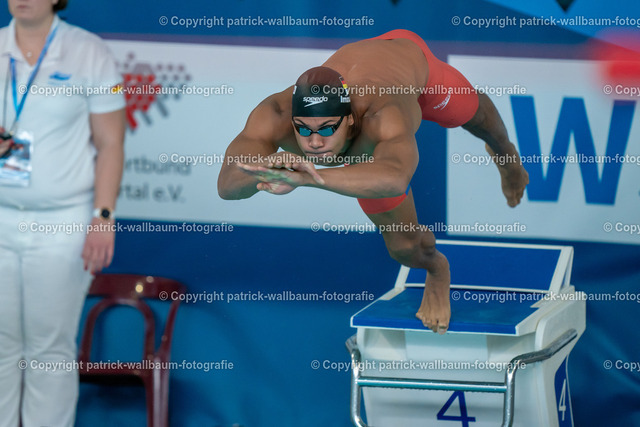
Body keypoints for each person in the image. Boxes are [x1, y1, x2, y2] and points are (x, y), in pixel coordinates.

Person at [217, 29, 528, 335]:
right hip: (363, 131)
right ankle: (437, 266)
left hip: (411, 64)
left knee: (476, 118)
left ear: (350, 119)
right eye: (303, 129)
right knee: (404, 248)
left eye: (327, 129)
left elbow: (396, 177)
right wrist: (262, 170)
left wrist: (307, 177)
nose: (314, 143)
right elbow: (227, 186)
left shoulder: (382, 112)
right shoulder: (274, 113)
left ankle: (508, 157)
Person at [0, 0, 125, 426]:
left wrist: (103, 216)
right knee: (1, 346)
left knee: (49, 347)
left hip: (62, 221)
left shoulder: (88, 51)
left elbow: (111, 143)